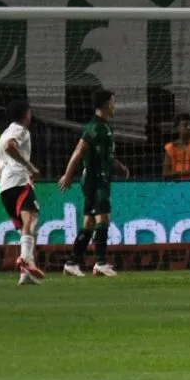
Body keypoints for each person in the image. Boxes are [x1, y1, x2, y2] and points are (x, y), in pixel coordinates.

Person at [58, 89, 130, 278]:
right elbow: (78, 151)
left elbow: (106, 156)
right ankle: (100, 263)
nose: (115, 106)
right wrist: (67, 175)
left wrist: (119, 167)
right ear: (106, 104)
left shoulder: (105, 127)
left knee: (89, 223)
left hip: (98, 178)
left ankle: (71, 263)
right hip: (96, 180)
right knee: (103, 218)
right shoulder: (95, 128)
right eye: (113, 102)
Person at [0, 99, 46, 285]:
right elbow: (10, 146)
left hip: (4, 188)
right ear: (26, 115)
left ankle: (26, 275)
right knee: (31, 219)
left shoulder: (3, 134)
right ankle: (26, 258)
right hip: (18, 182)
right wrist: (29, 167)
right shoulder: (20, 130)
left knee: (26, 228)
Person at [163, 113, 190, 180]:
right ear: (178, 128)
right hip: (177, 185)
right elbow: (165, 173)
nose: (189, 127)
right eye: (185, 125)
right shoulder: (171, 147)